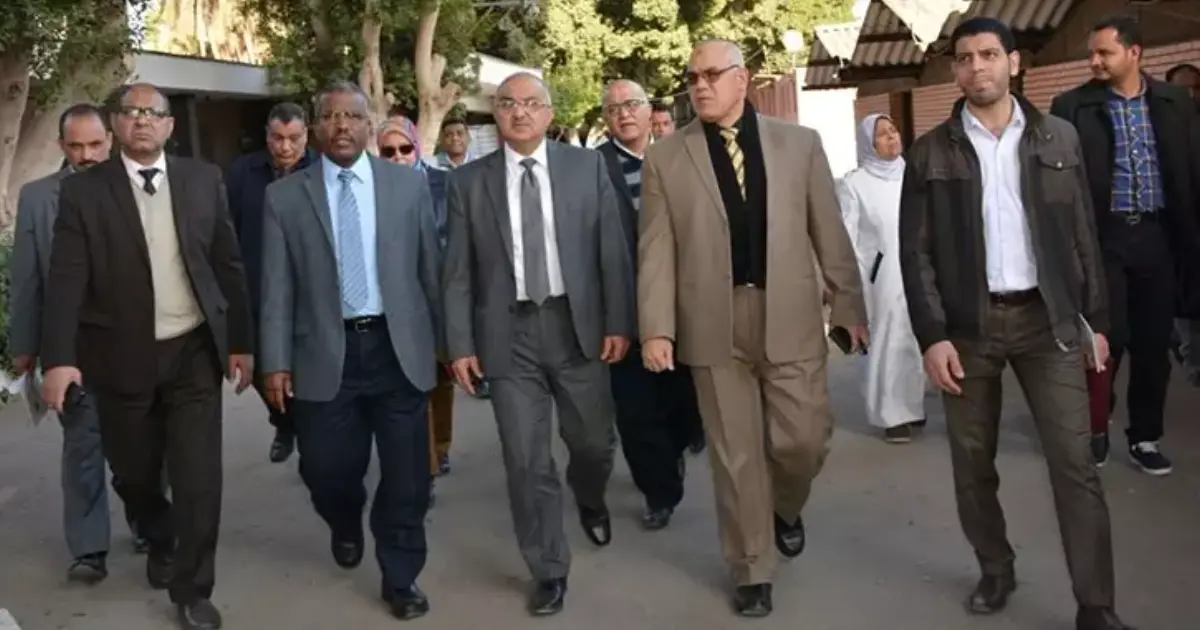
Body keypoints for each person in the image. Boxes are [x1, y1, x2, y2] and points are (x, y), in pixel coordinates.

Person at [899, 18, 1134, 630]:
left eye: (988, 54)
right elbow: (915, 253)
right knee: (973, 465)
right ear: (955, 70)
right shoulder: (930, 152)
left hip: (1047, 322)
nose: (976, 66)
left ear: (1014, 62)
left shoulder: (1057, 138)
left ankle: (1096, 605)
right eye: (964, 58)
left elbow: (1083, 232)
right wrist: (933, 336)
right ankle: (995, 566)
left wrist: (1096, 321)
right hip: (967, 328)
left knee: (1075, 465)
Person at [638, 40, 867, 617]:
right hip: (711, 322)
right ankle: (751, 569)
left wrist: (848, 305)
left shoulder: (799, 145)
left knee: (802, 440)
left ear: (742, 80)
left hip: (789, 313)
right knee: (735, 454)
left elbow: (829, 230)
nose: (700, 85)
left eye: (712, 74)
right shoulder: (667, 158)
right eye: (692, 77)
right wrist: (657, 328)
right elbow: (657, 250)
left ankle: (784, 508)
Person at [40, 83, 254, 630]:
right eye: (130, 113)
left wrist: (241, 342)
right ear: (115, 125)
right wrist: (59, 358)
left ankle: (193, 590)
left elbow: (227, 263)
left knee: (199, 479)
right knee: (135, 475)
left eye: (152, 113)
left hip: (193, 353)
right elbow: (65, 281)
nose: (141, 121)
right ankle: (160, 535)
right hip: (118, 358)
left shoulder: (203, 180)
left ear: (169, 126)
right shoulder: (84, 193)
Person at [441, 71, 632, 616]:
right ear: (495, 113)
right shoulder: (468, 183)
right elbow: (457, 273)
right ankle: (548, 567)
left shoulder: (586, 167)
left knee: (593, 442)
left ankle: (589, 495)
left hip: (577, 324)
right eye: (507, 103)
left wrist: (619, 321)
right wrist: (460, 344)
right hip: (508, 335)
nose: (519, 112)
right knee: (525, 459)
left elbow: (612, 251)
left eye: (531, 103)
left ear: (549, 113)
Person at [259, 81, 442, 621]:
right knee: (326, 470)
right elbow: (276, 287)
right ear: (316, 128)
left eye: (353, 116)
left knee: (408, 477)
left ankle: (401, 575)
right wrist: (276, 360)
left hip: (396, 348)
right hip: (323, 354)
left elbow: (430, 270)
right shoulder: (284, 197)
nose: (342, 125)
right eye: (331, 116)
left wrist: (450, 345)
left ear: (369, 125)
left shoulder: (405, 186)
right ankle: (344, 519)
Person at [1050, 16, 1200, 473]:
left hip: (1158, 238)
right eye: (1091, 53)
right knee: (1103, 343)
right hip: (1103, 240)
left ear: (1134, 53)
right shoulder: (1072, 106)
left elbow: (1193, 170)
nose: (1094, 61)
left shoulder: (1175, 103)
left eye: (1105, 53)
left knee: (1154, 345)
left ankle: (1145, 438)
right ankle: (1094, 428)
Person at [9, 103, 120, 583]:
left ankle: (150, 523)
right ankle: (89, 549)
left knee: (141, 446)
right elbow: (27, 277)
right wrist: (25, 345)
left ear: (110, 141)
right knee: (82, 446)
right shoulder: (38, 198)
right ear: (61, 147)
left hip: (133, 345)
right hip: (69, 348)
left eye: (95, 144)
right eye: (75, 146)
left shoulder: (136, 188)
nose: (86, 155)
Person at [595, 79, 702, 531]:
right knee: (635, 410)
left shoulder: (678, 158)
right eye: (614, 108)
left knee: (682, 401)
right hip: (622, 306)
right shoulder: (592, 168)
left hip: (681, 303)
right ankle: (658, 492)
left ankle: (676, 448)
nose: (624, 113)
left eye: (632, 104)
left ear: (648, 110)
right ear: (606, 118)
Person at [226, 101, 317, 463]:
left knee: (310, 369)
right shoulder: (242, 172)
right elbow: (227, 228)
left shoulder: (321, 170)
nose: (285, 147)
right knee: (266, 368)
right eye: (277, 138)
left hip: (309, 290)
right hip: (258, 288)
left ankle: (310, 432)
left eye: (293, 138)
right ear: (267, 136)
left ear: (306, 136)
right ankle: (283, 422)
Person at [377, 117, 456, 494]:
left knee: (441, 381)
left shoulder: (444, 184)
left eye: (405, 149)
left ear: (417, 149)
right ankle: (424, 467)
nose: (397, 157)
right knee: (412, 386)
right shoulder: (373, 190)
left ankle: (441, 447)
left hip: (442, 296)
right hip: (400, 303)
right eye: (388, 151)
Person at [837, 113, 926, 443]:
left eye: (894, 130)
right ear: (868, 144)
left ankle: (911, 405)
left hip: (917, 268)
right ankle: (891, 415)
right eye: (882, 134)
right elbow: (847, 236)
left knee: (915, 338)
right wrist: (850, 285)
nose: (892, 137)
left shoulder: (912, 175)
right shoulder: (855, 183)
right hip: (880, 275)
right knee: (887, 343)